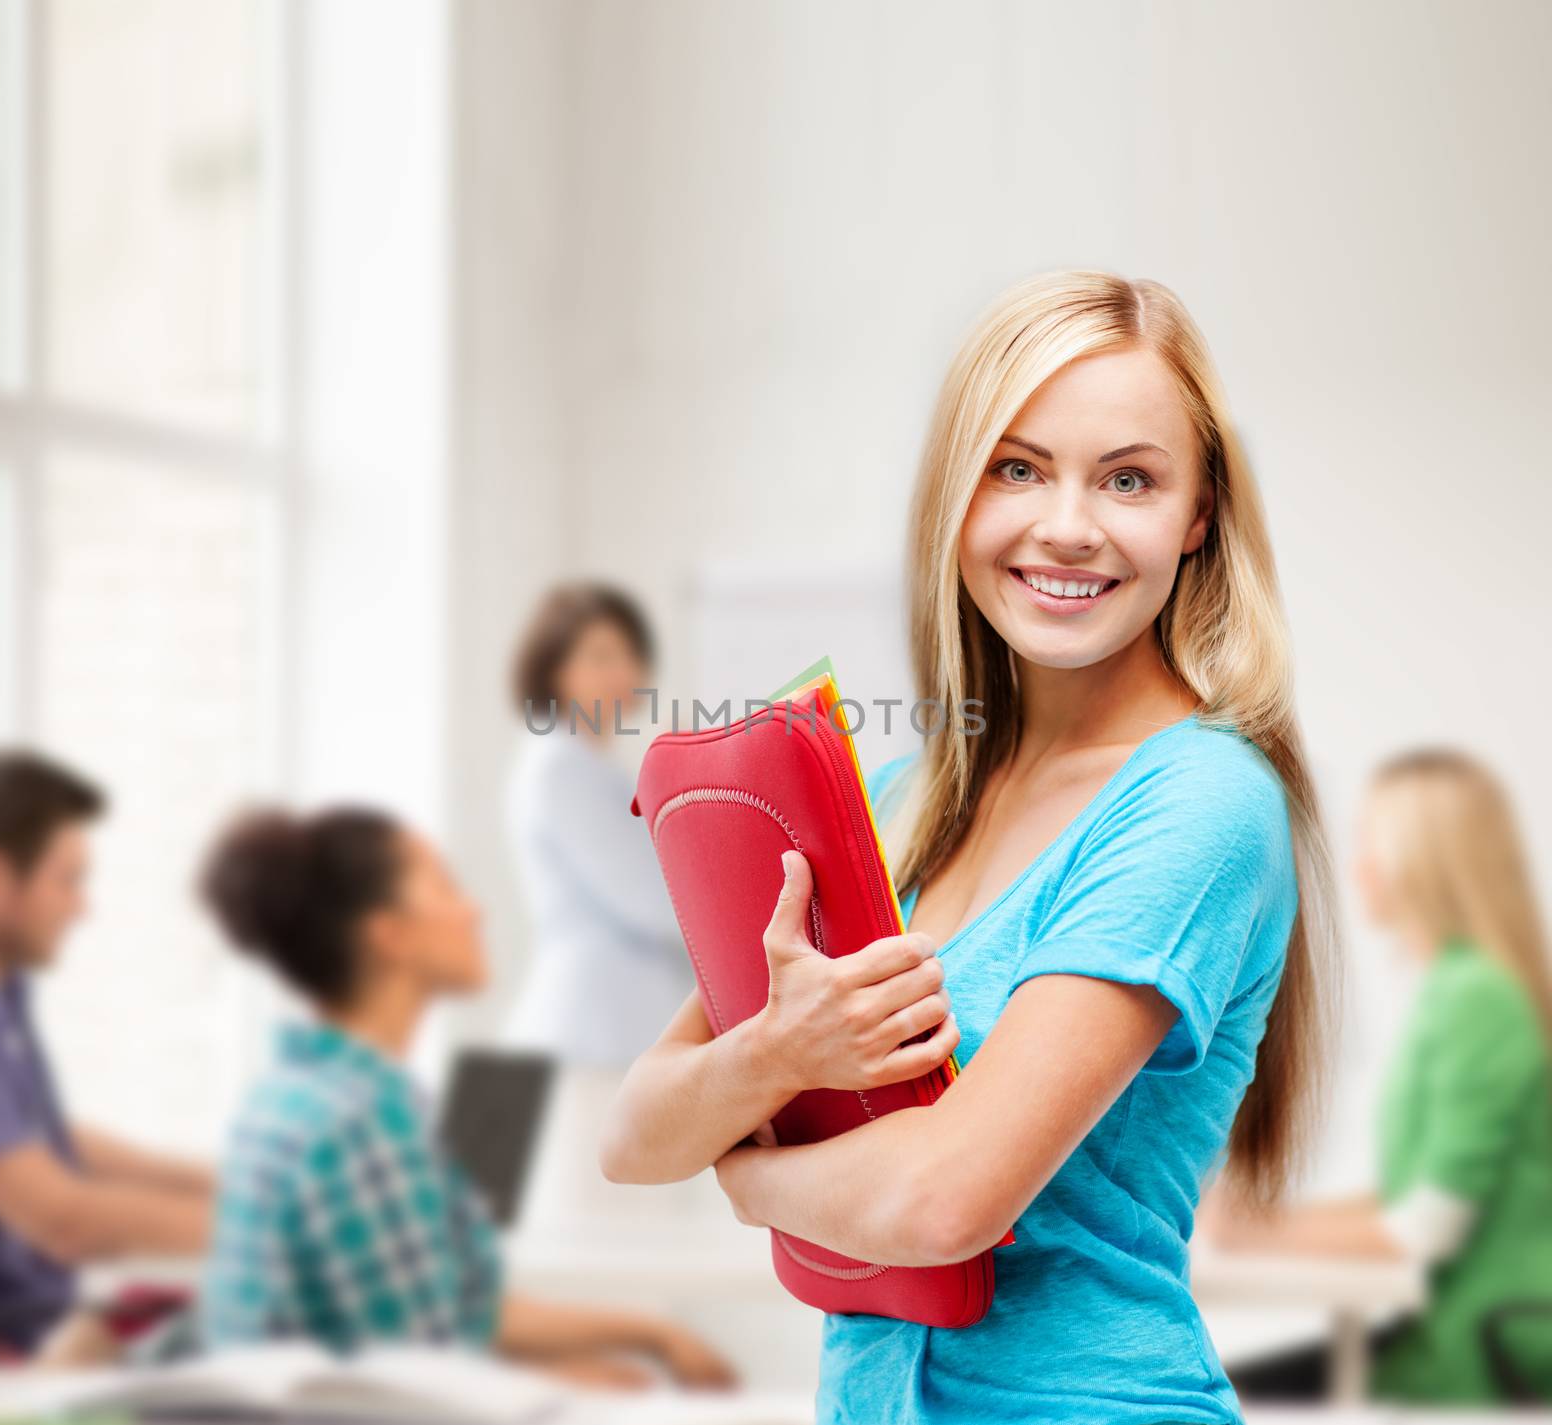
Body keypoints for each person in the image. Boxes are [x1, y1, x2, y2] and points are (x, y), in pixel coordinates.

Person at [601, 268, 1338, 1424]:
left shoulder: (1200, 801)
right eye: (1017, 467)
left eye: (1129, 479)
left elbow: (950, 1202)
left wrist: (743, 1176)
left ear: (1198, 519)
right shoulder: (891, 802)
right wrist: (774, 1054)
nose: (1066, 526)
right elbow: (636, 1137)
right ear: (956, 495)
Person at [196, 803, 736, 1390]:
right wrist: (598, 1382)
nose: (473, 909)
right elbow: (419, 1379)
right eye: (444, 886)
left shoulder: (299, 1094)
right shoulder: (365, 1121)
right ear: (389, 935)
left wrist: (648, 1335)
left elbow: (456, 1309)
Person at [1206, 747, 1552, 1403]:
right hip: (1449, 1331)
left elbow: (1425, 1225)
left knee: (1221, 1399)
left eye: (1372, 844)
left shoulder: (1477, 998)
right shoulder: (1457, 988)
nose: (1358, 868)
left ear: (1426, 864)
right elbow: (1415, 1195)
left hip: (1490, 1343)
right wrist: (1265, 1222)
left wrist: (1260, 1232)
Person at [0, 750, 214, 1357]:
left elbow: (32, 1139)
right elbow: (64, 1221)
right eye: (67, 880)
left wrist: (220, 1179)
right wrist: (275, 1229)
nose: (82, 908)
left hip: (39, 1321)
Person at [497, 581, 696, 1070]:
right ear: (555, 668)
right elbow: (652, 900)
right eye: (600, 656)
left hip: (602, 1025)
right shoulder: (560, 766)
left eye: (630, 655)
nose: (622, 672)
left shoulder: (585, 763)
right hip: (589, 1032)